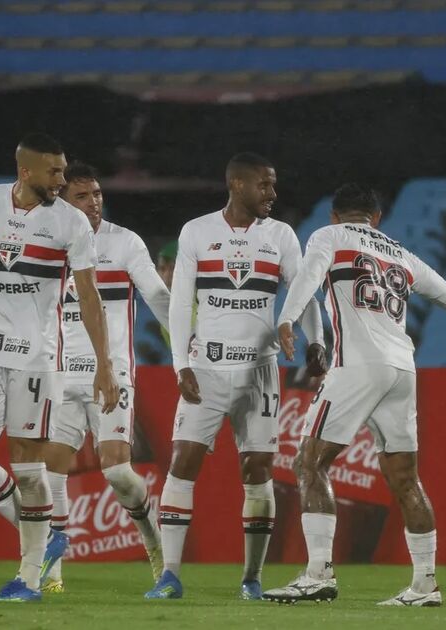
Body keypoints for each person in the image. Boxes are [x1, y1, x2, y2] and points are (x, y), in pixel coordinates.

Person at [261, 183, 446, 607]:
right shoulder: (401, 254)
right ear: (376, 219)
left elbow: (309, 277)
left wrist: (287, 319)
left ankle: (318, 574)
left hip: (358, 365)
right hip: (402, 370)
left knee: (309, 462)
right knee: (406, 479)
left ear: (335, 215)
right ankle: (425, 585)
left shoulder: (329, 236)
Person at [0, 133, 119, 603]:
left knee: (28, 468)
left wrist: (104, 364)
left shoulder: (71, 223)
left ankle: (29, 580)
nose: (61, 180)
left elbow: (89, 297)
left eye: (63, 170)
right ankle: (46, 537)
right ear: (25, 171)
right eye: (54, 171)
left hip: (38, 361)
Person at [146, 152, 327, 601]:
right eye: (264, 184)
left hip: (260, 370)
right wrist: (180, 364)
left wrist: (318, 341)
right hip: (206, 368)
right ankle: (169, 576)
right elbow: (179, 301)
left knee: (257, 468)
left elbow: (303, 292)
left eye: (273, 184)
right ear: (237, 185)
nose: (272, 193)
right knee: (183, 461)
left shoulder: (280, 235)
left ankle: (252, 578)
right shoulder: (197, 231)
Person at [37, 162, 172, 593]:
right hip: (59, 376)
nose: (93, 202)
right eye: (81, 196)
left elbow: (157, 295)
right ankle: (52, 574)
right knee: (50, 471)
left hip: (110, 374)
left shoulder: (124, 242)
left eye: (96, 193)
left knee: (117, 471)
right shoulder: (47, 244)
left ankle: (154, 543)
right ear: (63, 203)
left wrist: (188, 347)